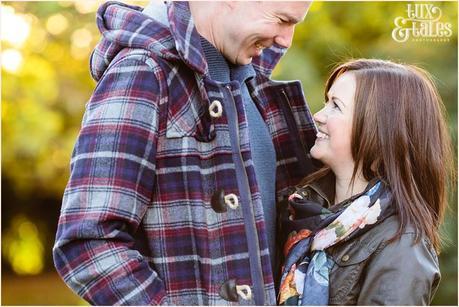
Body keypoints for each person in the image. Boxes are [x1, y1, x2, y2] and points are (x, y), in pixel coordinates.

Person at [53, 1, 314, 305]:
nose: (286, 40)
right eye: (282, 20)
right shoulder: (144, 73)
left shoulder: (257, 91)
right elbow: (88, 241)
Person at [278, 59, 454, 305]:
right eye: (326, 102)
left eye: (336, 107)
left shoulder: (402, 247)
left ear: (379, 130)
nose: (318, 115)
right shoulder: (300, 210)